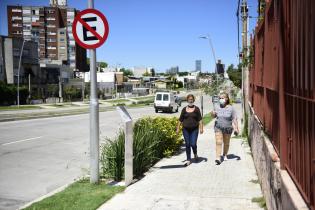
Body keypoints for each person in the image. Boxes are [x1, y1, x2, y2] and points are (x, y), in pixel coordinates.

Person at [211, 92, 239, 165]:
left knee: (226, 143)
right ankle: (218, 158)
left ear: (226, 99)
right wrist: (213, 114)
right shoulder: (217, 106)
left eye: (222, 98)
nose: (221, 99)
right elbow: (213, 116)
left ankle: (225, 154)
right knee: (218, 142)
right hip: (218, 127)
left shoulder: (231, 108)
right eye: (220, 98)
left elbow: (234, 119)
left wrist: (236, 128)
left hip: (228, 128)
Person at [177, 94, 204, 166]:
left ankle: (195, 153)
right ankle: (188, 159)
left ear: (193, 100)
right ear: (187, 100)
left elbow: (200, 120)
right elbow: (180, 120)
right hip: (185, 129)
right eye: (189, 99)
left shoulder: (197, 109)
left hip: (194, 129)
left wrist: (201, 128)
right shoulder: (184, 109)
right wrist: (177, 128)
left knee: (193, 144)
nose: (190, 101)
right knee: (187, 144)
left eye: (192, 99)